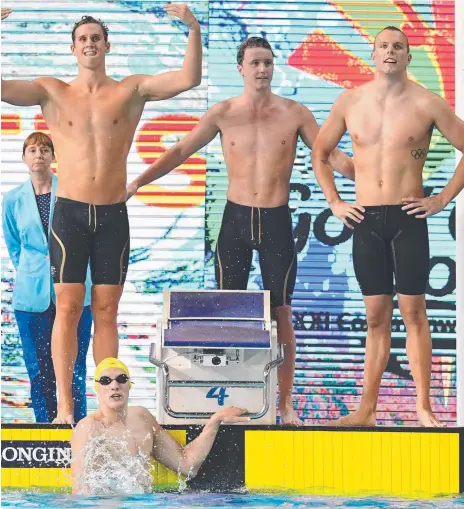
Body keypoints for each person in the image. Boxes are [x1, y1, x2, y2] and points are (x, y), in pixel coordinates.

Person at [126, 37, 354, 425]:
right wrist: (137, 183)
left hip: (276, 221)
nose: (262, 69)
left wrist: (374, 175)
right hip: (234, 221)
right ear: (241, 68)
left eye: (267, 62)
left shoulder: (295, 113)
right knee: (226, 314)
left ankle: (283, 404)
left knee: (281, 314)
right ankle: (225, 401)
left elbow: (328, 155)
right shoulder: (223, 113)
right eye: (255, 63)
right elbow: (180, 150)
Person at [1, 5, 202, 424]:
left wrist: (193, 26)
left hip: (112, 215)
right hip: (70, 214)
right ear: (73, 49)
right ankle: (63, 409)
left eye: (96, 38)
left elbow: (188, 79)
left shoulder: (130, 90)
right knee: (67, 309)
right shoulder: (51, 90)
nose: (90, 44)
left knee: (107, 311)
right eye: (83, 39)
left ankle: (106, 412)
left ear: (107, 46)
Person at [311, 26, 464, 427]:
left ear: (408, 56)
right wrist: (335, 202)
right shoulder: (351, 101)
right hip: (366, 219)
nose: (391, 52)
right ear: (373, 55)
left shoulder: (428, 103)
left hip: (407, 218)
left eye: (399, 46)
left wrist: (442, 198)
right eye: (384, 46)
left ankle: (424, 408)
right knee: (376, 317)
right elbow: (321, 151)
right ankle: (366, 410)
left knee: (414, 311)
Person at [2, 132, 93, 423]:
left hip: (74, 288)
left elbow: (86, 237)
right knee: (38, 370)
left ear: (54, 156)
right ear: (24, 157)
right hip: (32, 295)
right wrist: (33, 271)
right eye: (32, 149)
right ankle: (45, 428)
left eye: (44, 149)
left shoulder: (71, 191)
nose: (38, 154)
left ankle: (78, 428)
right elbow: (14, 245)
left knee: (74, 367)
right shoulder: (12, 199)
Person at [71, 357, 249, 495]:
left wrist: (215, 421)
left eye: (121, 379)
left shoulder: (142, 418)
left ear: (129, 385)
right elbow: (80, 490)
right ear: (96, 387)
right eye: (105, 381)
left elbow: (187, 466)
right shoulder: (88, 428)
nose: (114, 386)